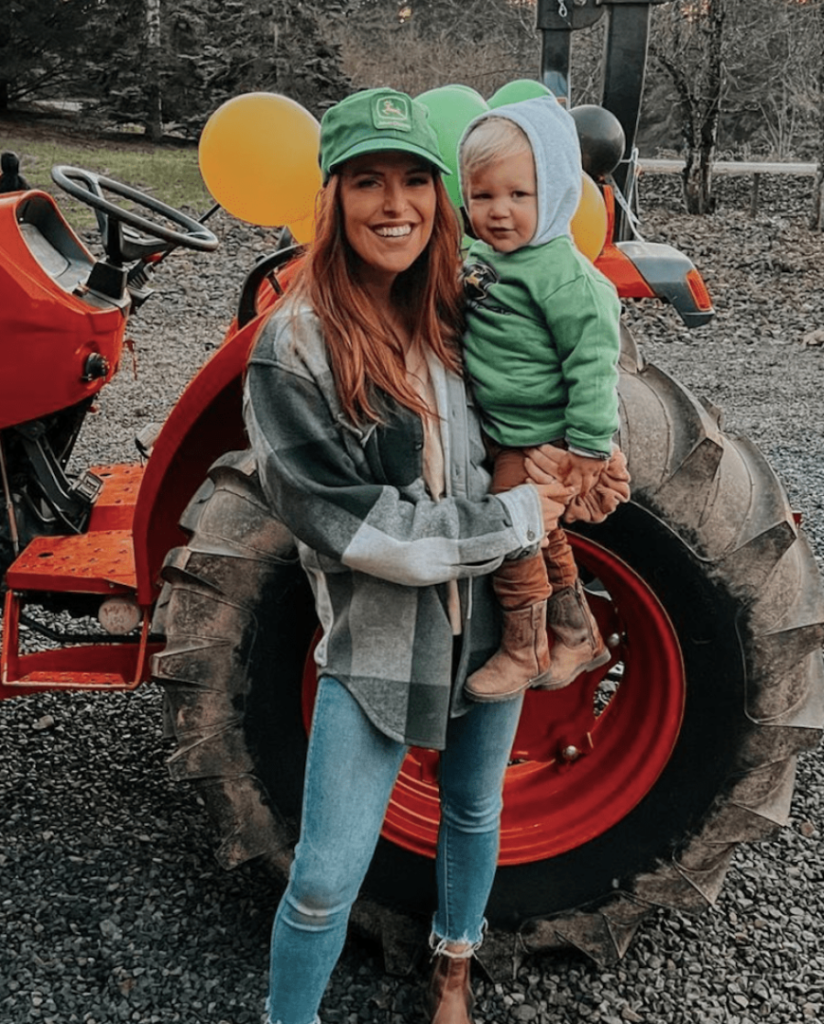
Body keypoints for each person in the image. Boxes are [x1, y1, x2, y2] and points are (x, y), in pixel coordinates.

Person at [243, 88, 570, 1024]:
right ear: (333, 199)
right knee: (321, 878)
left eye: (415, 181)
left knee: (471, 808)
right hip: (380, 638)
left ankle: (453, 968)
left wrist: (578, 445)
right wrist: (515, 518)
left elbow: (557, 381)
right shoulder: (292, 349)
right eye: (368, 182)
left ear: (441, 195)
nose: (395, 205)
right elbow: (360, 529)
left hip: (491, 633)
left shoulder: (469, 311)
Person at [456, 94, 630, 704]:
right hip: (504, 425)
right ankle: (578, 634)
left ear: (552, 191)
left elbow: (592, 363)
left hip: (545, 437)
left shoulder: (564, 274)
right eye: (482, 197)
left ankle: (523, 647)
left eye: (518, 196)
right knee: (543, 535)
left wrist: (587, 447)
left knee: (512, 530)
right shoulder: (479, 256)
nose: (498, 212)